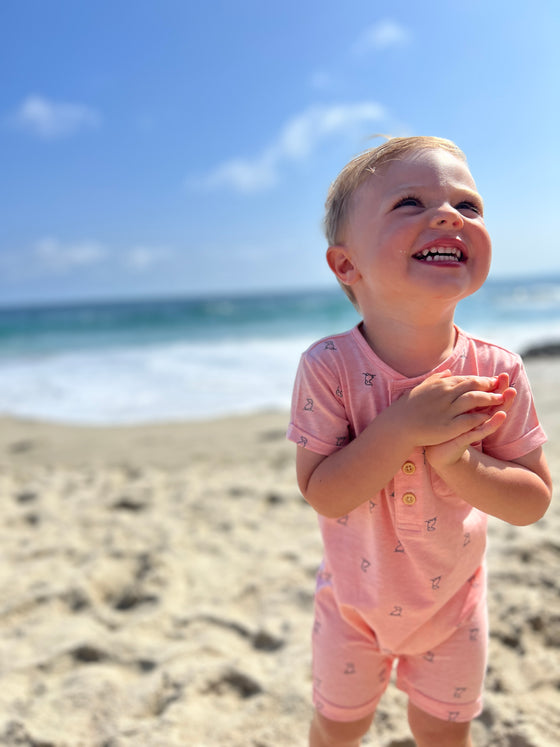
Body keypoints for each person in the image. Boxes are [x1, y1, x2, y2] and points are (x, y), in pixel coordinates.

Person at [286, 136, 552, 747]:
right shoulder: (329, 367)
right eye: (410, 201)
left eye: (468, 205)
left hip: (451, 609)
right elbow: (324, 493)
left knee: (442, 735)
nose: (448, 215)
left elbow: (533, 501)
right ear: (346, 265)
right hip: (353, 606)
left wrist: (458, 466)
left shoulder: (497, 371)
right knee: (337, 728)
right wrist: (402, 426)